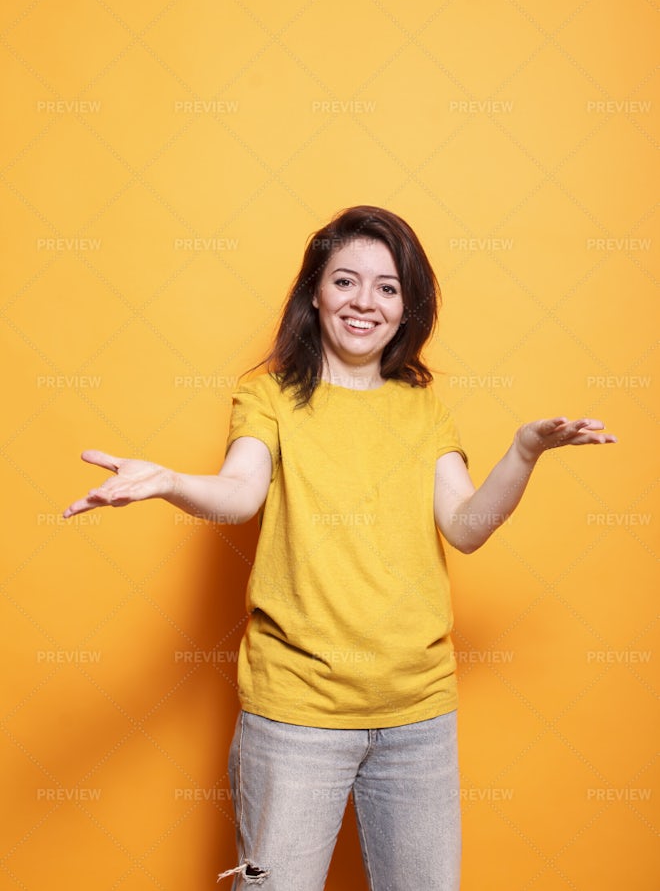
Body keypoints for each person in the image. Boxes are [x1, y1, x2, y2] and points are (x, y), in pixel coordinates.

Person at [63, 205, 616, 891]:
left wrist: (525, 452)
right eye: (345, 281)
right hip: (295, 715)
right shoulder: (267, 396)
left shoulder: (423, 408)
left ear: (408, 305)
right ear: (315, 293)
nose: (364, 303)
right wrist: (168, 482)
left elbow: (468, 527)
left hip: (417, 716)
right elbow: (240, 492)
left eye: (387, 287)